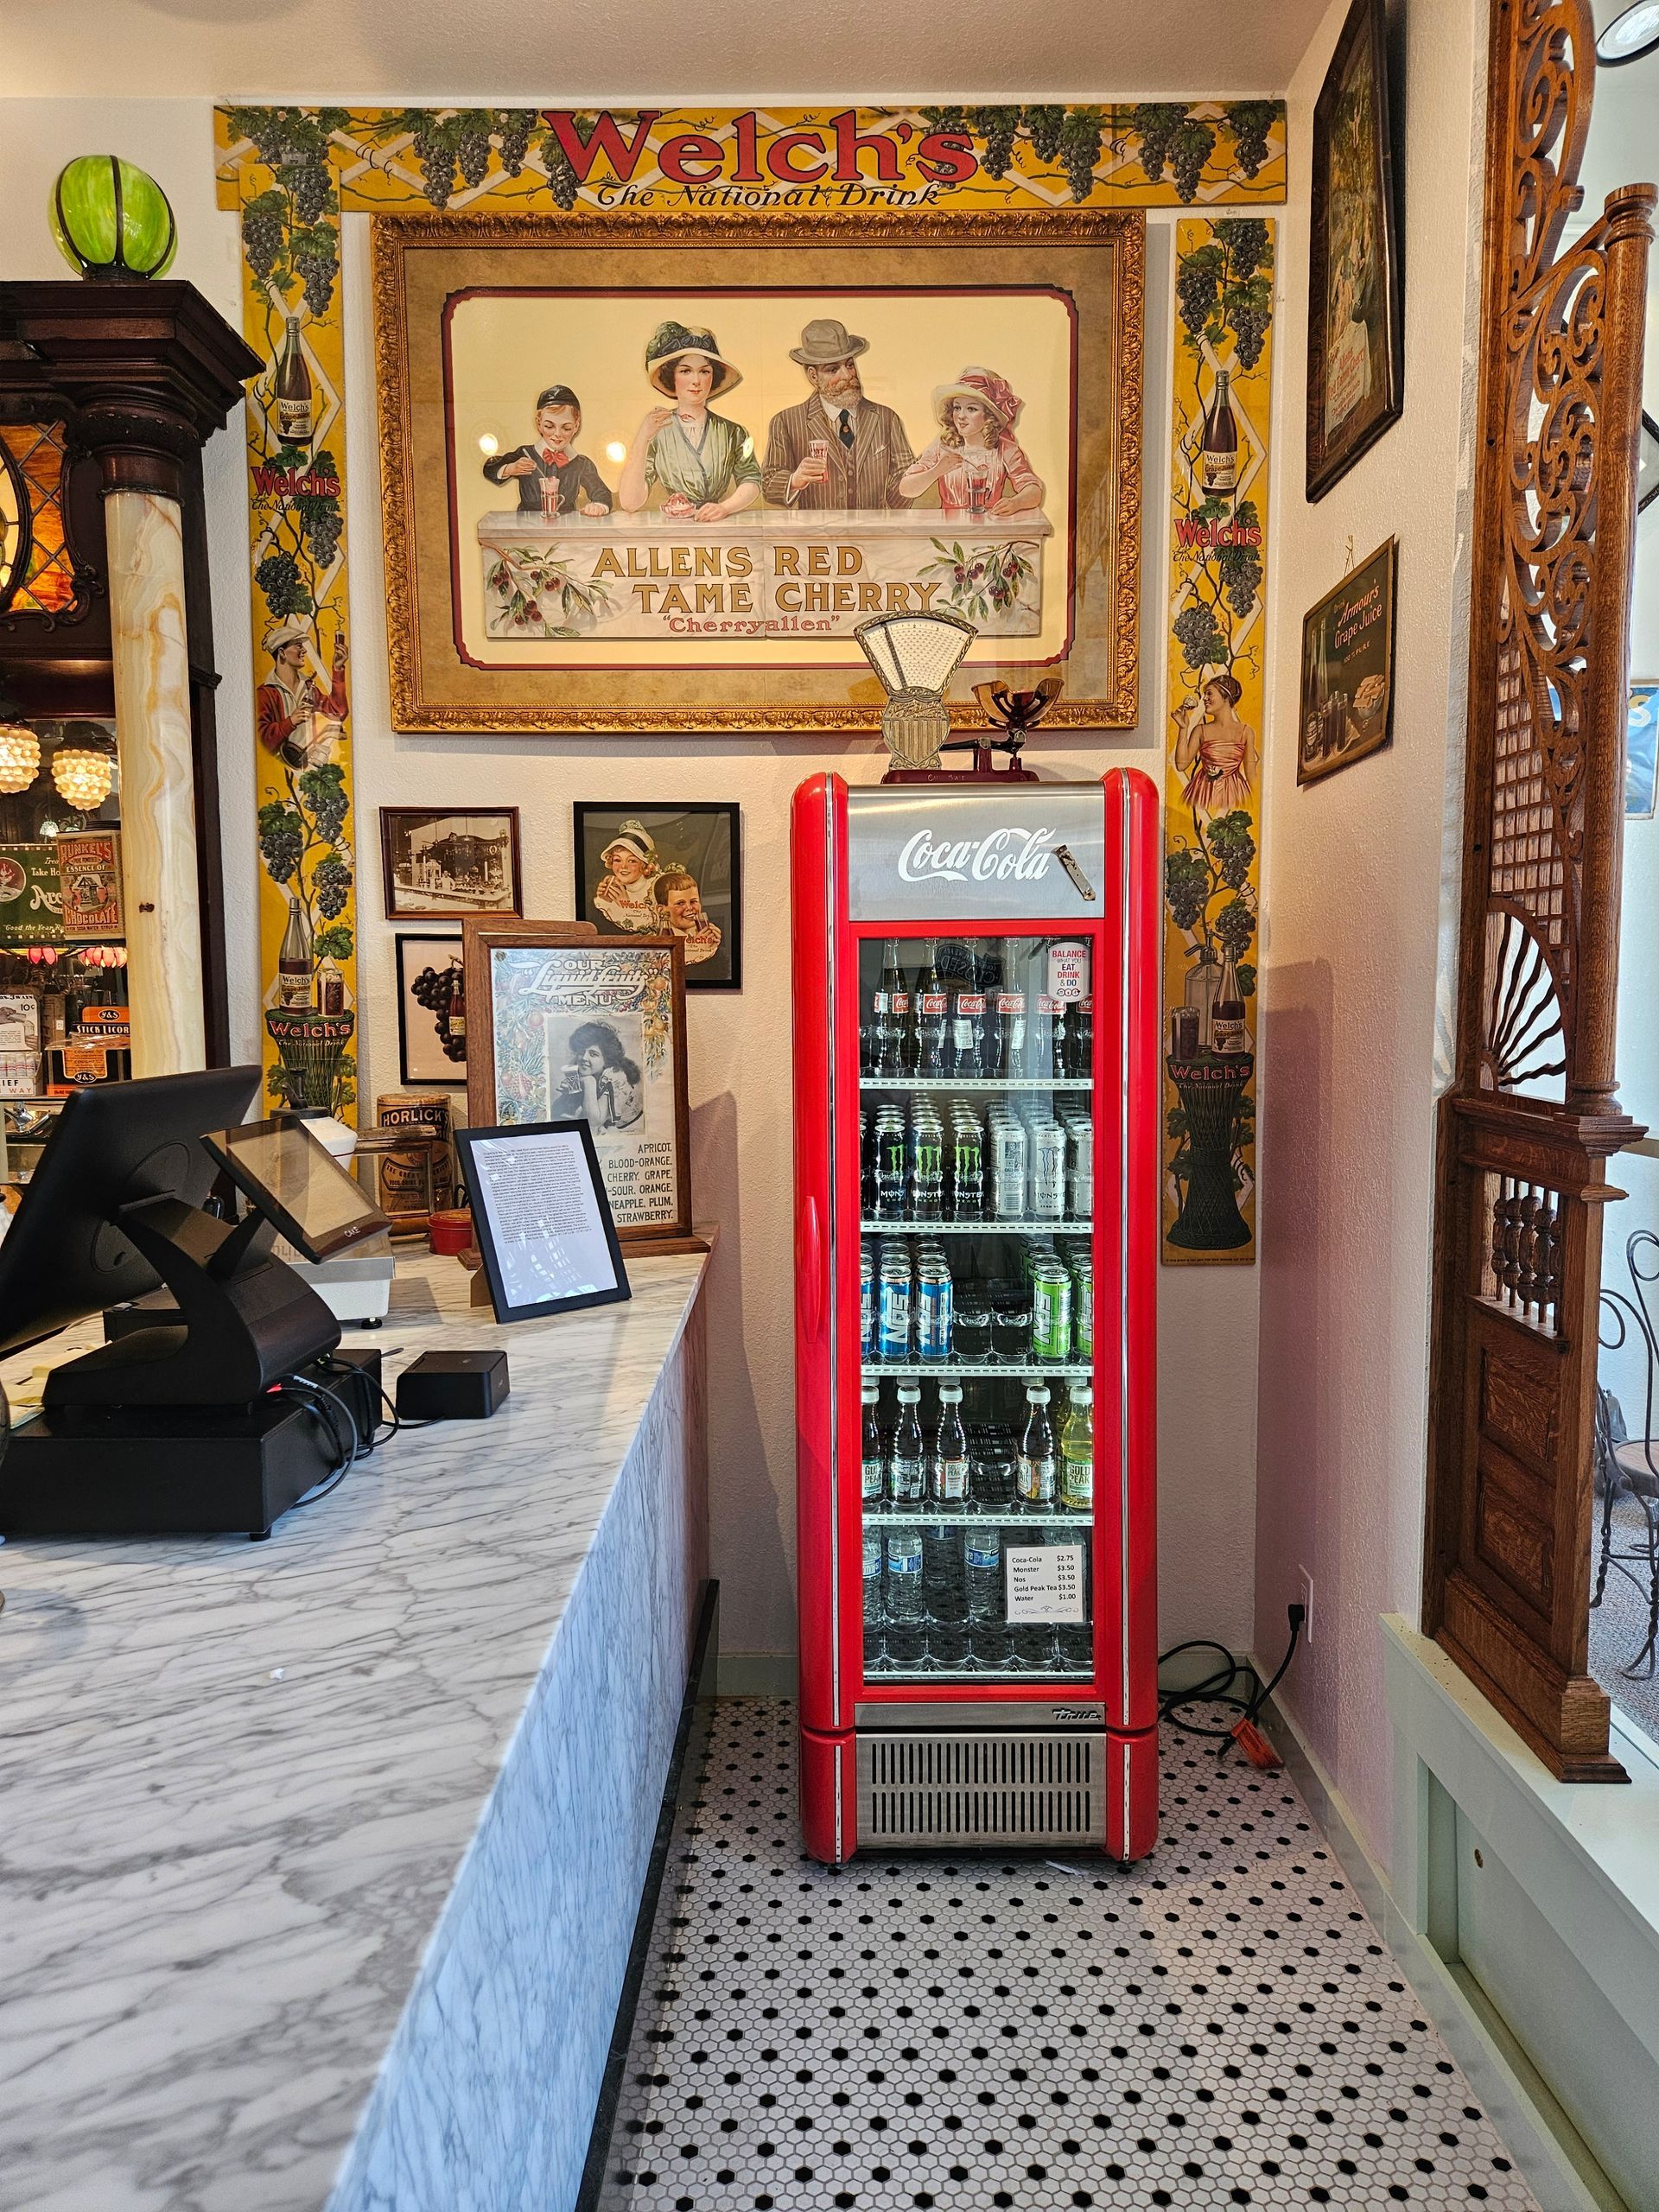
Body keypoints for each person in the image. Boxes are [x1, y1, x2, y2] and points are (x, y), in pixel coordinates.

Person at [761, 317, 916, 510]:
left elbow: (903, 488)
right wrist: (795, 479)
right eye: (833, 369)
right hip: (817, 537)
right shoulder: (786, 421)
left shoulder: (886, 418)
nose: (847, 375)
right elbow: (768, 483)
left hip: (874, 535)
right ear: (813, 376)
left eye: (850, 365)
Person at [614, 323, 761, 522]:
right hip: (673, 530)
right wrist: (643, 438)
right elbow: (630, 503)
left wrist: (724, 508)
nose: (696, 381)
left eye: (704, 372)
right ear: (671, 377)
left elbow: (752, 480)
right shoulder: (658, 430)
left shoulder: (733, 431)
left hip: (721, 526)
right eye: (685, 371)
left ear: (713, 376)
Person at [898, 368, 1044, 520]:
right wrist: (937, 470)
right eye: (957, 408)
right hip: (949, 529)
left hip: (991, 527)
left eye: (971, 409)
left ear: (989, 416)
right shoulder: (944, 445)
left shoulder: (1005, 448)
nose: (961, 416)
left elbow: (1034, 490)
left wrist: (1015, 503)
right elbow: (905, 489)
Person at [481, 385, 613, 517]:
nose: (557, 434)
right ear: (539, 424)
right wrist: (510, 469)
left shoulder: (581, 463)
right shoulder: (525, 454)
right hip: (527, 528)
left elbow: (602, 493)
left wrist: (599, 506)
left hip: (566, 528)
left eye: (566, 428)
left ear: (576, 426)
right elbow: (489, 468)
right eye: (549, 426)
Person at [257, 620, 348, 768]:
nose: (304, 650)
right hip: (281, 768)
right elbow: (263, 740)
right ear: (282, 653)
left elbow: (338, 713)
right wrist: (291, 721)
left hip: (311, 764)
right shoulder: (266, 692)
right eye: (298, 645)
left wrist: (338, 669)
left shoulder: (308, 687)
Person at [1175, 666, 1259, 817]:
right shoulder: (1200, 730)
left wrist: (1257, 805)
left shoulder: (1246, 732)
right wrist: (1183, 729)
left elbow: (1251, 773)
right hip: (1203, 791)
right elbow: (1181, 765)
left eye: (1209, 694)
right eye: (1204, 695)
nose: (1204, 699)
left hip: (1235, 791)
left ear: (1226, 697)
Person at [556, 1021, 644, 1132]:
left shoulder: (614, 1076)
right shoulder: (579, 1067)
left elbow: (593, 1123)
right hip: (601, 1123)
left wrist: (588, 1082)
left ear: (606, 1059)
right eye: (581, 1052)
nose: (584, 1058)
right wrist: (568, 1094)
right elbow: (564, 1108)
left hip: (629, 1128)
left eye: (593, 1054)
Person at [592, 821, 663, 931]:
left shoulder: (659, 887)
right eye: (617, 860)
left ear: (644, 864)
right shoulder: (614, 886)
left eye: (632, 861)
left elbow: (652, 928)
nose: (623, 867)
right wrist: (605, 900)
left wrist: (625, 904)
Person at [652, 868, 722, 966]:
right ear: (662, 910)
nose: (689, 908)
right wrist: (697, 950)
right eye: (680, 903)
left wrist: (715, 950)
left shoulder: (709, 935)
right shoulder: (660, 944)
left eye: (693, 901)